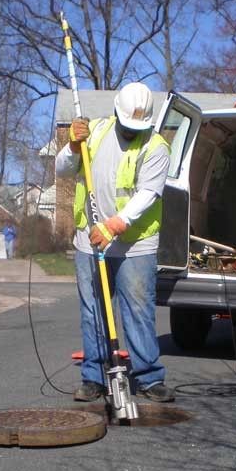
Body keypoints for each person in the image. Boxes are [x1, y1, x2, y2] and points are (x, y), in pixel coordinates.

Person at [55, 82, 175, 402]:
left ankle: (148, 376)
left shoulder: (157, 146)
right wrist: (72, 147)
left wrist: (115, 224)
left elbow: (148, 193)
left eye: (139, 126)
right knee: (94, 310)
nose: (133, 131)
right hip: (89, 240)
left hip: (136, 243)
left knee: (138, 309)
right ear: (116, 114)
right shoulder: (93, 133)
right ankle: (94, 376)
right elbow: (63, 170)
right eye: (128, 125)